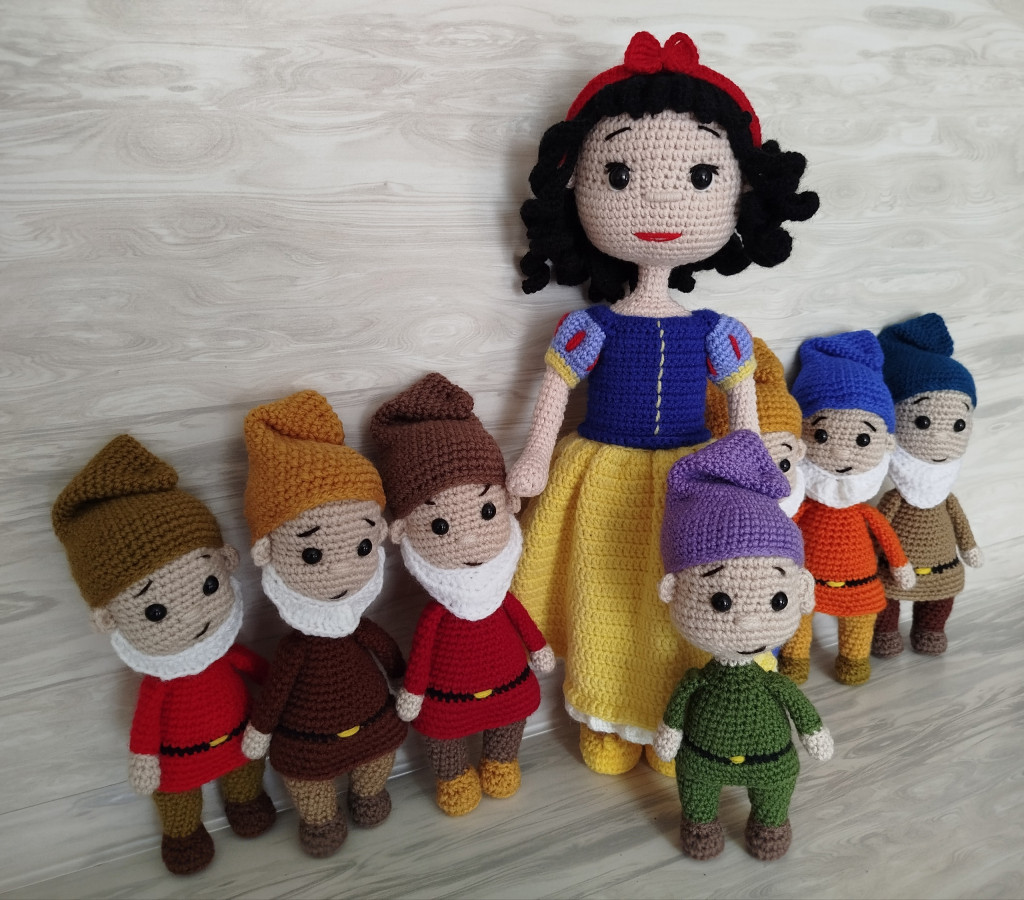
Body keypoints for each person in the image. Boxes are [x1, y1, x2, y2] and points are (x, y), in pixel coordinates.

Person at [508, 31, 819, 775]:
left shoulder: (719, 332)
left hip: (694, 484)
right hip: (600, 475)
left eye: (702, 176)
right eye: (618, 174)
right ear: (577, 190)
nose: (659, 202)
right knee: (605, 596)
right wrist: (533, 458)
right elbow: (553, 393)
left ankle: (678, 723)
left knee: (683, 603)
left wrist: (756, 481)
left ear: (739, 195)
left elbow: (744, 420)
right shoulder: (589, 327)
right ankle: (607, 714)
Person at [51, 435, 276, 875]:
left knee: (245, 773)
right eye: (155, 610)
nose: (193, 614)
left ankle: (246, 803)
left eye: (208, 584)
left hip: (240, 742)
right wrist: (144, 757)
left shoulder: (228, 655)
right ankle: (183, 835)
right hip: (178, 761)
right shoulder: (158, 685)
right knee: (176, 795)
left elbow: (264, 672)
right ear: (109, 618)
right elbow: (145, 725)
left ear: (225, 562)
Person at [371, 373, 555, 816]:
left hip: (509, 686)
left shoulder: (501, 597)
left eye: (486, 509)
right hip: (447, 698)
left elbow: (521, 620)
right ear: (403, 531)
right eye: (439, 525)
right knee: (442, 732)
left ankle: (501, 762)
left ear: (507, 503)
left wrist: (539, 647)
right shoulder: (438, 615)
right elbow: (421, 655)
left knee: (512, 717)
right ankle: (452, 778)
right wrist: (413, 691)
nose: (470, 539)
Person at [240, 391, 407, 858]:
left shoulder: (360, 629)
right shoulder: (296, 649)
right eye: (313, 553)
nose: (341, 570)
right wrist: (260, 730)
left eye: (361, 547)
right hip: (309, 742)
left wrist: (405, 681)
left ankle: (368, 795)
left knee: (379, 756)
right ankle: (320, 822)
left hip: (373, 725)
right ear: (268, 551)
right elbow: (275, 692)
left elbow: (390, 656)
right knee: (307, 778)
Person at [652, 430, 832, 861]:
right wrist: (670, 733)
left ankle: (770, 824)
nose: (748, 623)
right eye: (721, 601)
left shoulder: (770, 682)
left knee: (776, 783)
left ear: (802, 591)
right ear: (673, 591)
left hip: (770, 757)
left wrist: (813, 731)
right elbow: (677, 711)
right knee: (695, 785)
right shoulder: (697, 680)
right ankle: (700, 825)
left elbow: (797, 705)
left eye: (777, 600)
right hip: (702, 756)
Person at [779, 331, 916, 685]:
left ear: (885, 442)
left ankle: (854, 662)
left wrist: (900, 565)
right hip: (806, 582)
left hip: (859, 584)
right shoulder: (803, 506)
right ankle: (794, 661)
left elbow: (886, 535)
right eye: (822, 435)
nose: (841, 454)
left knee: (860, 620)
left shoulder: (864, 511)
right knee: (796, 617)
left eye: (863, 439)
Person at [871, 314, 983, 657]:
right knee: (886, 599)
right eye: (923, 421)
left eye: (958, 424)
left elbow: (960, 523)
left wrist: (969, 547)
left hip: (942, 568)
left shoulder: (945, 497)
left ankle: (930, 630)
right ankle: (884, 634)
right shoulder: (896, 497)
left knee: (940, 599)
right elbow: (879, 528)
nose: (941, 439)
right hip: (896, 569)